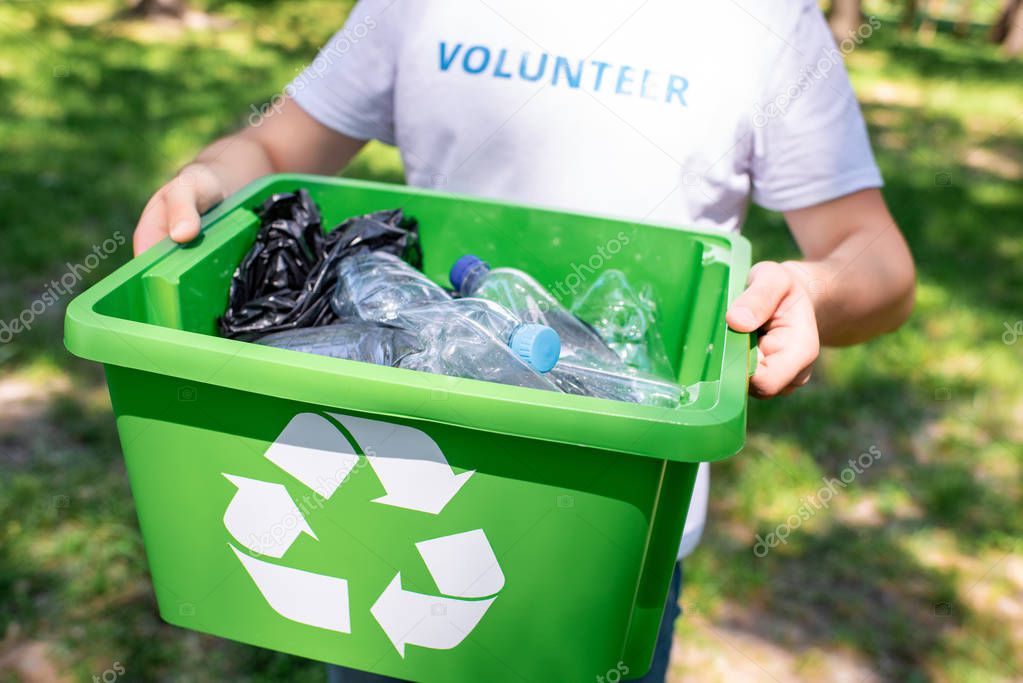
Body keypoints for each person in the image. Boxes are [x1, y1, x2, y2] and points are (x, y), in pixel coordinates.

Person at [133, 1, 916, 680]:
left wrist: (810, 291)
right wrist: (205, 178)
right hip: (389, 496)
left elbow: (876, 260)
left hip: (609, 530)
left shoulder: (766, 21)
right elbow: (272, 152)